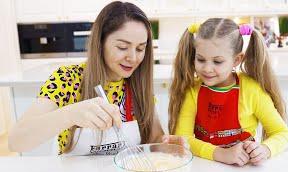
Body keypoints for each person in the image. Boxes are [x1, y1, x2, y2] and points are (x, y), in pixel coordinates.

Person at [9, 1, 178, 155]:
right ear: (100, 43)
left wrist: (167, 145)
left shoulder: (138, 85)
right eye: (122, 47)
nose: (133, 58)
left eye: (140, 49)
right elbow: (16, 142)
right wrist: (71, 114)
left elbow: (155, 139)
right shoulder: (67, 79)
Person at [168, 18, 288, 166]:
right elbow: (183, 139)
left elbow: (282, 133)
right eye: (201, 59)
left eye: (217, 61)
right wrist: (222, 154)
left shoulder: (251, 90)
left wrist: (265, 149)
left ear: (236, 60)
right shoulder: (193, 91)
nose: (207, 68)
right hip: (205, 168)